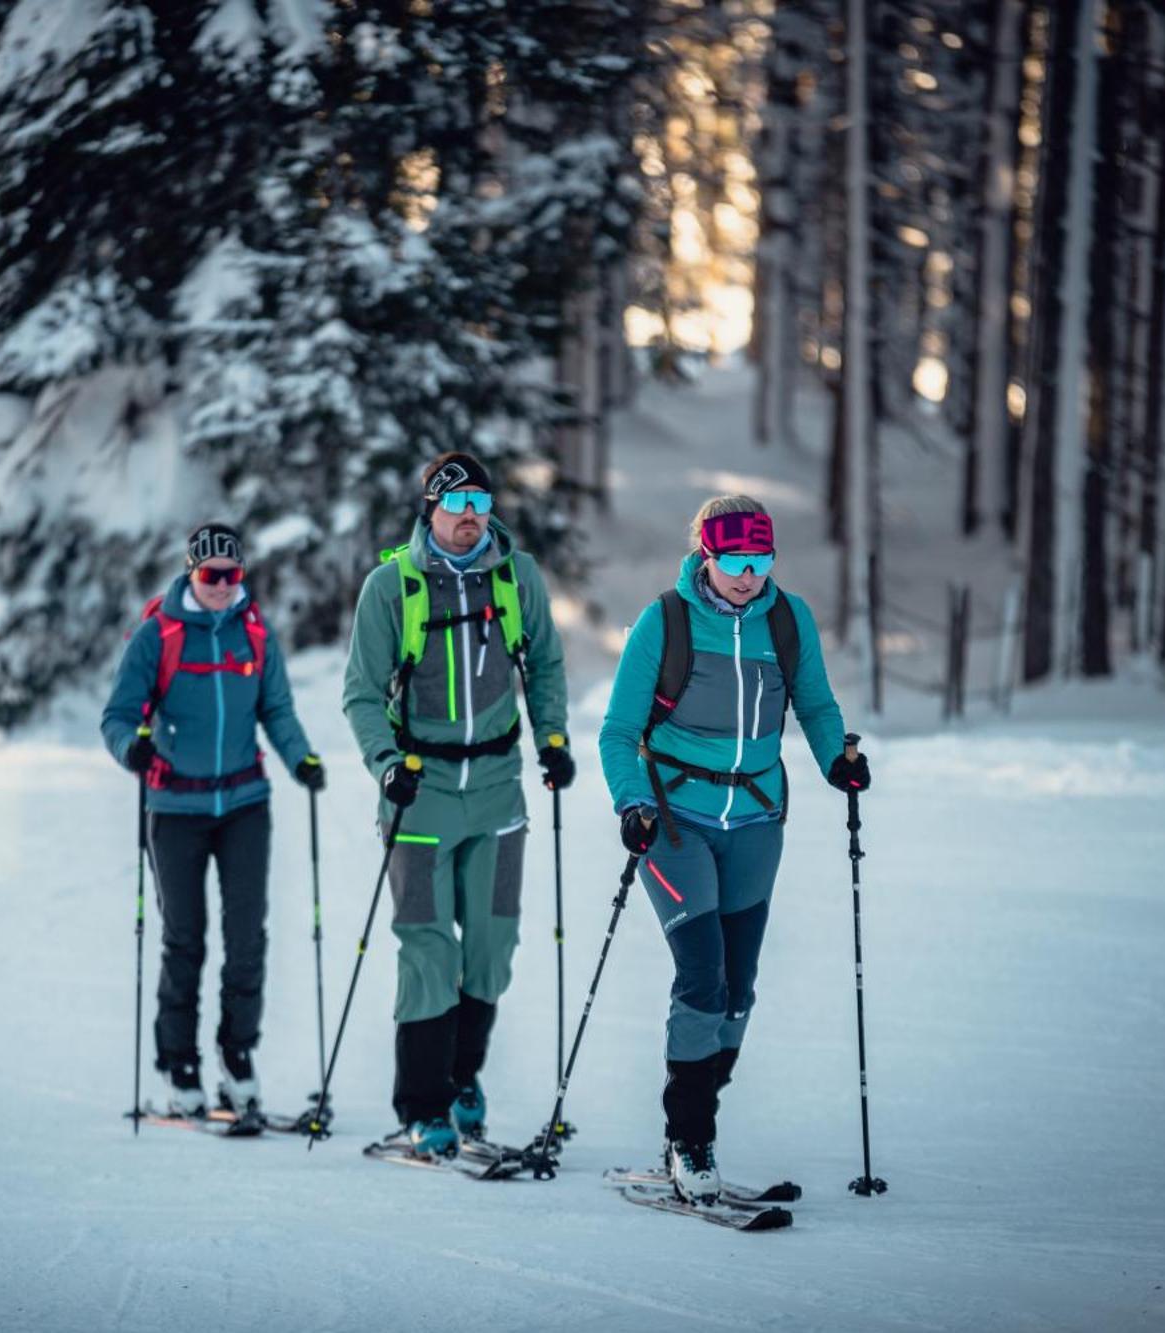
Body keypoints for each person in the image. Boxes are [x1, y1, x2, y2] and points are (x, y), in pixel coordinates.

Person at [595, 496, 871, 1204]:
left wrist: (835, 760)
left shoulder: (788, 619)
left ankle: (692, 1119)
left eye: (760, 561)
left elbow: (813, 703)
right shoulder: (667, 621)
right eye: (734, 563)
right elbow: (618, 731)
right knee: (703, 975)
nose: (748, 577)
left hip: (755, 819)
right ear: (705, 556)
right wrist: (633, 802)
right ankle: (691, 1137)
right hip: (675, 819)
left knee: (739, 987)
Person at [341, 452, 572, 1156]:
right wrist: (386, 766)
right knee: (427, 948)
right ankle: (422, 1101)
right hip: (422, 794)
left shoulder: (515, 575)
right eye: (455, 500)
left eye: (480, 498)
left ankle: (462, 1078)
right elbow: (360, 693)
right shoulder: (392, 586)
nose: (470, 513)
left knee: (495, 944)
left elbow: (548, 663)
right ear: (430, 509)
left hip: (498, 788)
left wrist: (553, 738)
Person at [102, 522, 324, 1119]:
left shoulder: (254, 633)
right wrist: (133, 750)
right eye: (211, 575)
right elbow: (119, 716)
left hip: (245, 803)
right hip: (175, 808)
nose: (223, 586)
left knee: (248, 937)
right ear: (192, 572)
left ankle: (237, 1056)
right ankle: (180, 1065)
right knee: (184, 940)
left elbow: (275, 709)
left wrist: (300, 757)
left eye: (233, 575)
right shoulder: (159, 635)